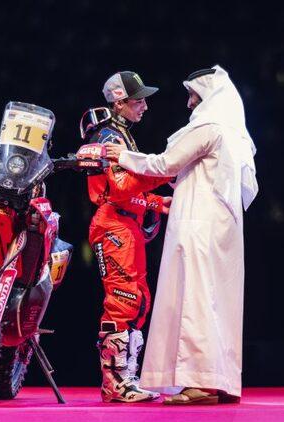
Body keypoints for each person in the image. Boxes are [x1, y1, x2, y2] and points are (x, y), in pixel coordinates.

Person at [105, 65, 258, 405]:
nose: (189, 103)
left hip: (200, 225)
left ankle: (200, 383)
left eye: (193, 96)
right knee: (216, 301)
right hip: (220, 227)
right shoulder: (230, 130)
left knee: (196, 297)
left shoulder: (209, 127)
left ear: (207, 95)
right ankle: (219, 381)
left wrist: (122, 156)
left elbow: (165, 165)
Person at [80, 71, 172, 402]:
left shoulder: (120, 134)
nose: (145, 106)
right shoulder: (108, 136)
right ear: (120, 103)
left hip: (125, 224)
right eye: (139, 100)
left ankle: (126, 377)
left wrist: (157, 203)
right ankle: (115, 383)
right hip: (114, 226)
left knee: (139, 300)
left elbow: (123, 193)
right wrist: (164, 170)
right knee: (124, 299)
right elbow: (119, 190)